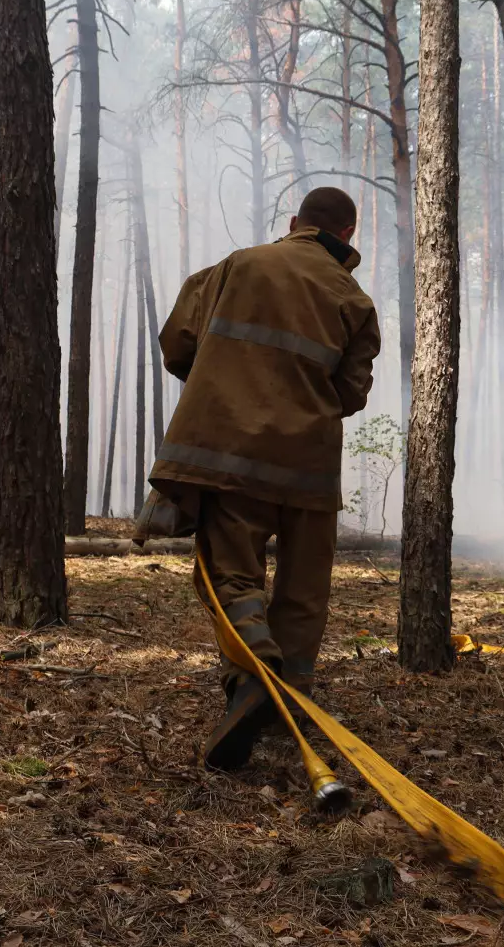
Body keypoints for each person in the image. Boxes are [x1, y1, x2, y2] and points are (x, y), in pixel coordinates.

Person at [147, 187, 380, 770]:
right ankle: (288, 705)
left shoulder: (238, 265)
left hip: (229, 456)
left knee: (231, 573)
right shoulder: (354, 297)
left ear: (296, 222)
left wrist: (224, 380)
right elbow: (351, 392)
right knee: (304, 591)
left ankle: (255, 674)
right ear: (347, 236)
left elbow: (178, 341)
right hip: (309, 467)